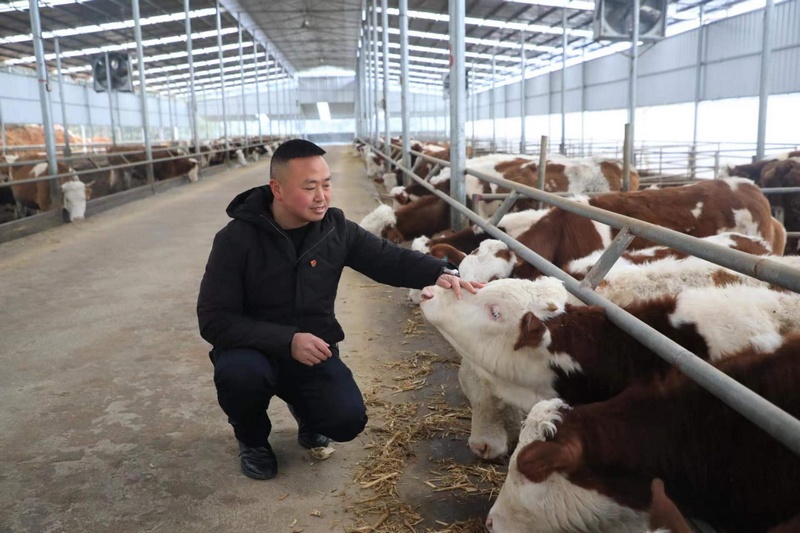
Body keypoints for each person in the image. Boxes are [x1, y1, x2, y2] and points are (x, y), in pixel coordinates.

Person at [197, 139, 482, 480]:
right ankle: (253, 440)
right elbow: (214, 320)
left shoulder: (335, 229)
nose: (321, 196)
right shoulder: (236, 239)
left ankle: (308, 414)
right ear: (278, 189)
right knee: (239, 375)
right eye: (309, 187)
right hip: (251, 350)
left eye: (327, 184)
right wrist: (288, 340)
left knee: (346, 420)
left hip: (314, 351)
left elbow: (386, 258)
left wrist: (439, 271)